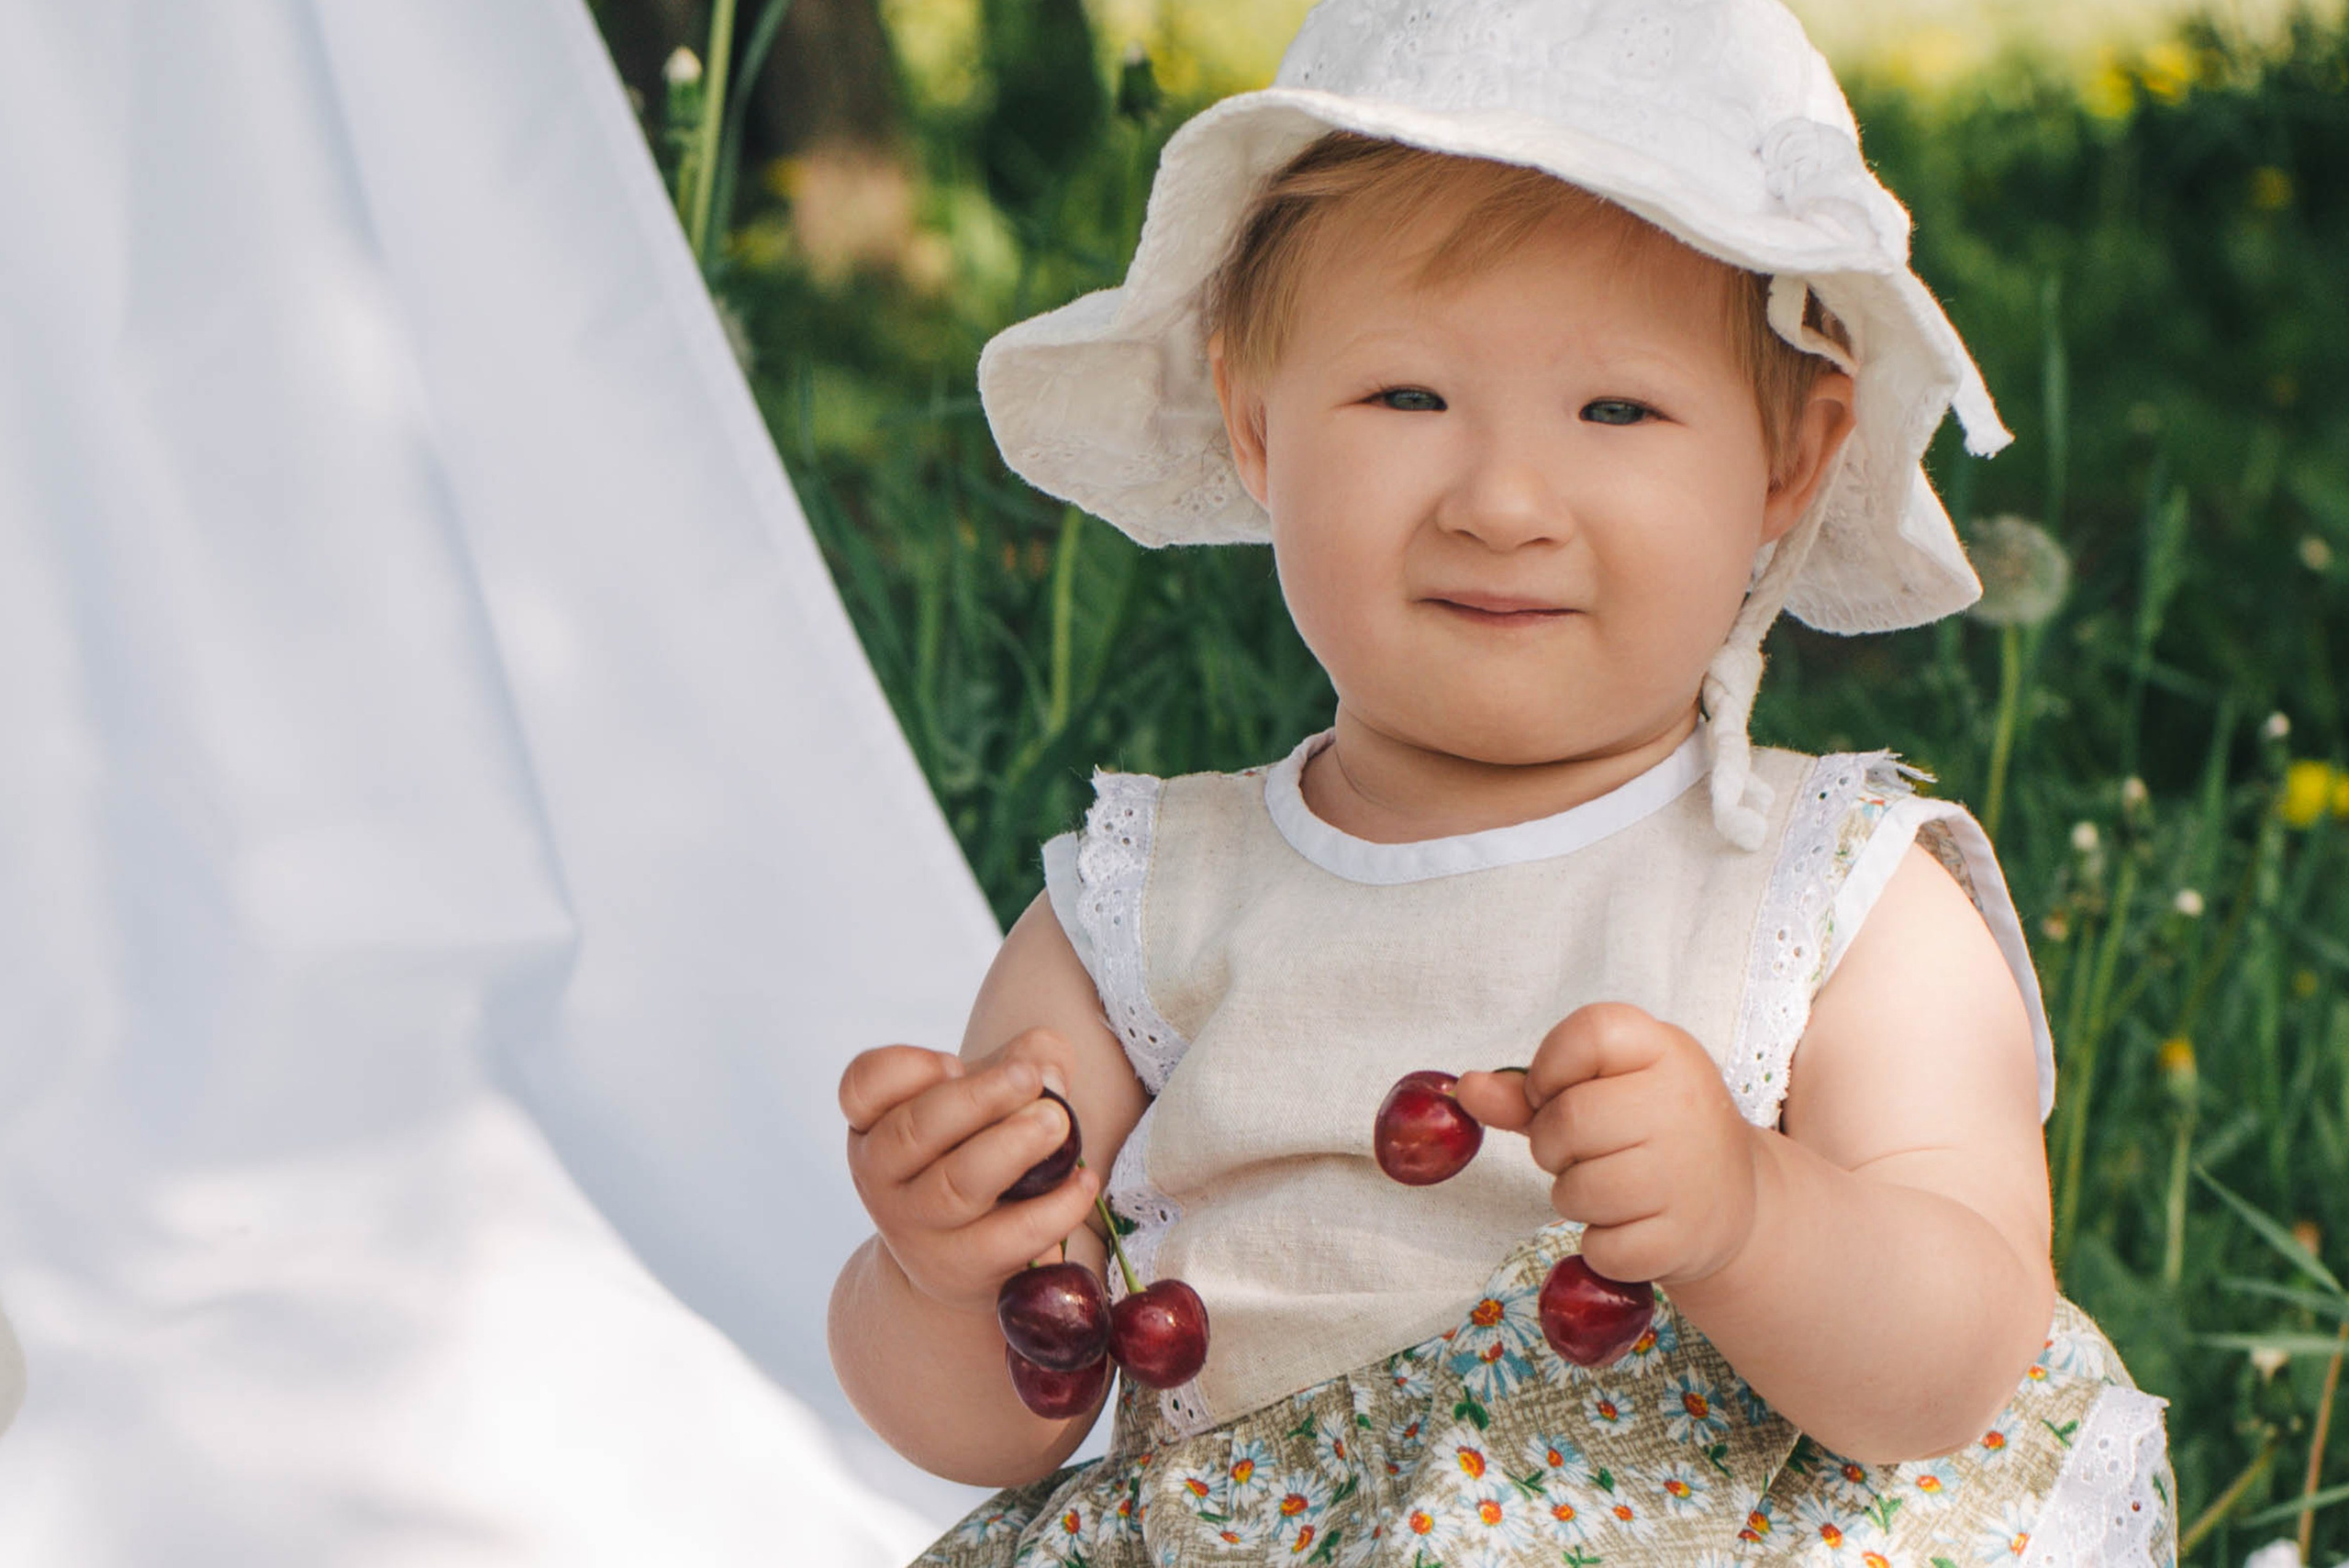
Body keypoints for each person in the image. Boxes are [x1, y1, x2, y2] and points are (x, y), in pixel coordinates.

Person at [830, 1, 2177, 1561]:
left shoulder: (1839, 897)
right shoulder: (1142, 908)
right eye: (1407, 397)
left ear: (1789, 458)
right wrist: (940, 1268)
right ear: (1257, 423)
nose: (1503, 500)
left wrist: (1751, 1212)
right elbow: (989, 1425)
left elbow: (1955, 1365)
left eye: (1617, 409)